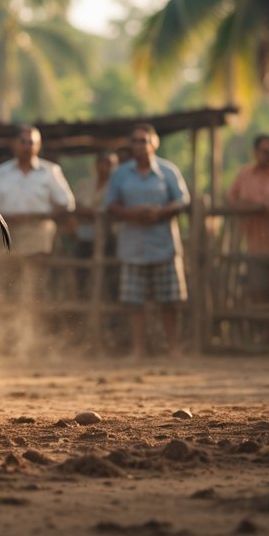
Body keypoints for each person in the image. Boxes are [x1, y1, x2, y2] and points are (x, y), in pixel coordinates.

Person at [103, 123, 190, 359]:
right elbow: (110, 205)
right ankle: (138, 349)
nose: (139, 145)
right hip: (133, 246)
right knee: (134, 303)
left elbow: (182, 201)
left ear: (155, 143)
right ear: (130, 145)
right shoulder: (120, 173)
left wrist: (159, 213)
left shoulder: (168, 171)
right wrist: (132, 214)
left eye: (144, 141)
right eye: (135, 141)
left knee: (169, 301)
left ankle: (173, 348)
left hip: (163, 245)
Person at [0, 125, 75, 257]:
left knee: (43, 238)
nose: (27, 147)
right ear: (14, 144)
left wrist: (44, 217)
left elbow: (67, 203)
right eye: (23, 142)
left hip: (39, 229)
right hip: (6, 229)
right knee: (0, 264)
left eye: (31, 143)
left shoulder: (50, 171)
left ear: (38, 145)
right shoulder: (1, 172)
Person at [227, 134, 269, 314]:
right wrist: (252, 207)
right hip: (254, 243)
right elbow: (231, 199)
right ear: (255, 152)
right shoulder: (244, 174)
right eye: (265, 151)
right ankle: (264, 332)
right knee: (258, 290)